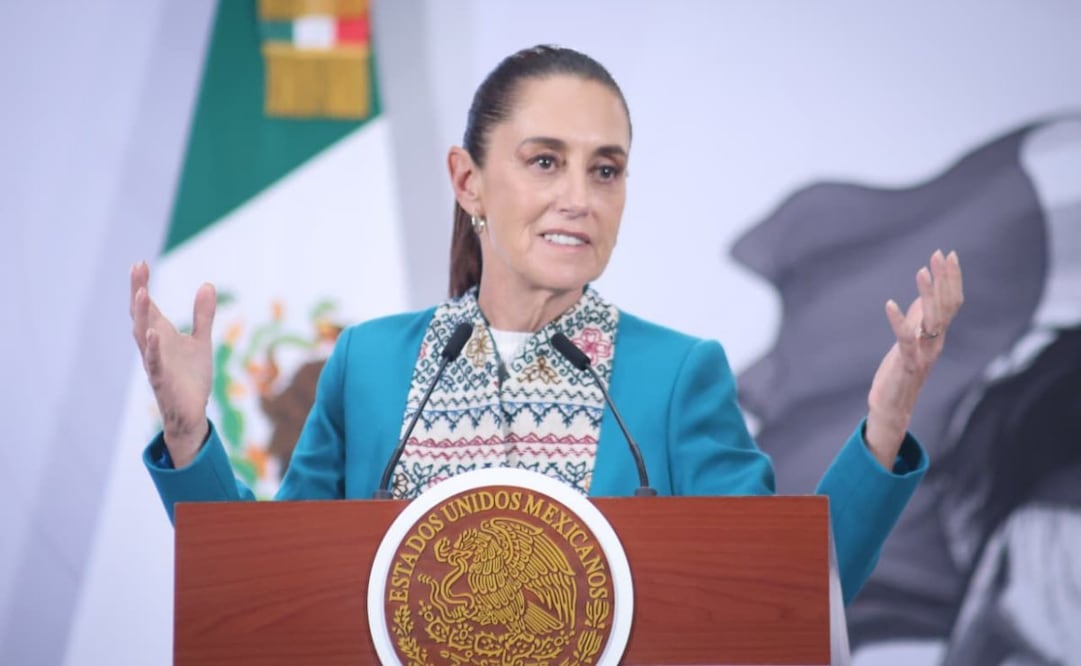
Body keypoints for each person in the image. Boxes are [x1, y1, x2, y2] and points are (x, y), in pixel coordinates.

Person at [130, 45, 964, 605]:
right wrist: (187, 432)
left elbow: (789, 593)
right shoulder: (370, 363)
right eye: (543, 161)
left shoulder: (675, 376)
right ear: (468, 182)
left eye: (605, 170)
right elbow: (268, 589)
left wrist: (885, 424)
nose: (578, 197)